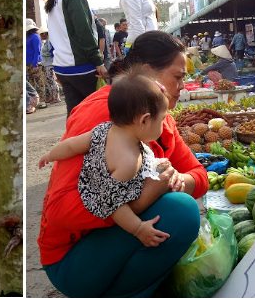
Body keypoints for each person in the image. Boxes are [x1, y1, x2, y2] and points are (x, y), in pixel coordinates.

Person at [38, 30, 207, 297]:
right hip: (71, 260)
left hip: (111, 240)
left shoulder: (159, 118)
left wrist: (177, 180)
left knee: (178, 208)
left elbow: (198, 175)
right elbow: (60, 210)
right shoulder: (104, 115)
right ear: (148, 72)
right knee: (181, 212)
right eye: (177, 77)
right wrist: (146, 197)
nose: (183, 86)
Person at [39, 66, 183, 251]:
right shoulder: (128, 162)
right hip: (101, 198)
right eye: (162, 119)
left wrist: (50, 155)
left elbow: (70, 145)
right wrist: (139, 229)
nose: (164, 125)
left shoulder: (104, 129)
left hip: (100, 184)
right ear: (144, 120)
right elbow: (111, 204)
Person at [45, 0, 108, 116]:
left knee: (75, 115)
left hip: (62, 67)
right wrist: (98, 61)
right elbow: (84, 32)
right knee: (96, 114)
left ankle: (72, 136)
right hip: (81, 66)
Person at [26, 18, 46, 110]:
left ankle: (42, 101)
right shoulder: (27, 37)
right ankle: (34, 101)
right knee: (31, 83)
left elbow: (37, 51)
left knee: (39, 82)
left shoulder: (35, 36)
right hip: (27, 64)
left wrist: (34, 64)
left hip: (35, 63)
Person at [40, 27, 62, 104]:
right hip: (47, 63)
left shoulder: (50, 41)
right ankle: (53, 97)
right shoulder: (46, 42)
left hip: (50, 63)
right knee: (50, 81)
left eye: (42, 34)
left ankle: (56, 97)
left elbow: (51, 52)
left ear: (45, 34)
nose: (41, 36)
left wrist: (43, 54)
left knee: (52, 81)